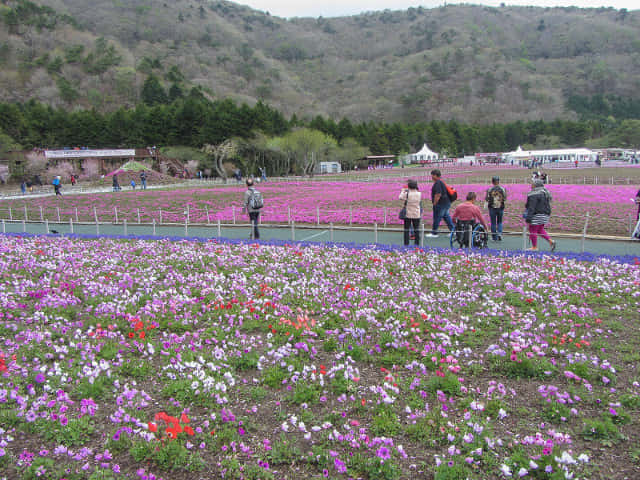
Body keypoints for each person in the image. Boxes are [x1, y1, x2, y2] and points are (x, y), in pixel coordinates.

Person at [525, 178, 556, 252]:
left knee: (532, 230)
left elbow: (531, 207)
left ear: (536, 185)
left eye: (532, 184)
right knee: (540, 229)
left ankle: (534, 247)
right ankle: (550, 241)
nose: (531, 185)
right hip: (545, 215)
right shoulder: (545, 192)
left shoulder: (533, 194)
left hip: (537, 214)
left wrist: (528, 218)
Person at [427, 169, 455, 237]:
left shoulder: (438, 183)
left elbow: (438, 194)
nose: (432, 177)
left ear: (436, 175)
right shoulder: (441, 182)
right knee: (446, 217)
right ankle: (453, 231)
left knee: (437, 217)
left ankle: (434, 232)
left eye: (432, 175)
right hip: (446, 203)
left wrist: (435, 203)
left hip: (441, 203)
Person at [399, 179, 422, 246]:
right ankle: (416, 244)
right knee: (416, 229)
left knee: (406, 230)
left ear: (408, 186)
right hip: (416, 213)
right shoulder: (419, 193)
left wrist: (403, 191)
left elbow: (400, 197)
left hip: (408, 213)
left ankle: (406, 244)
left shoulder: (407, 194)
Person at [485, 176, 507, 241]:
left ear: (492, 182)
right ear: (498, 181)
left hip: (492, 208)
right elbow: (505, 198)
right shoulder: (502, 189)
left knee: (493, 222)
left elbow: (487, 198)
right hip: (500, 207)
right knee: (500, 222)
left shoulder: (489, 189)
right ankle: (499, 233)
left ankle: (494, 236)